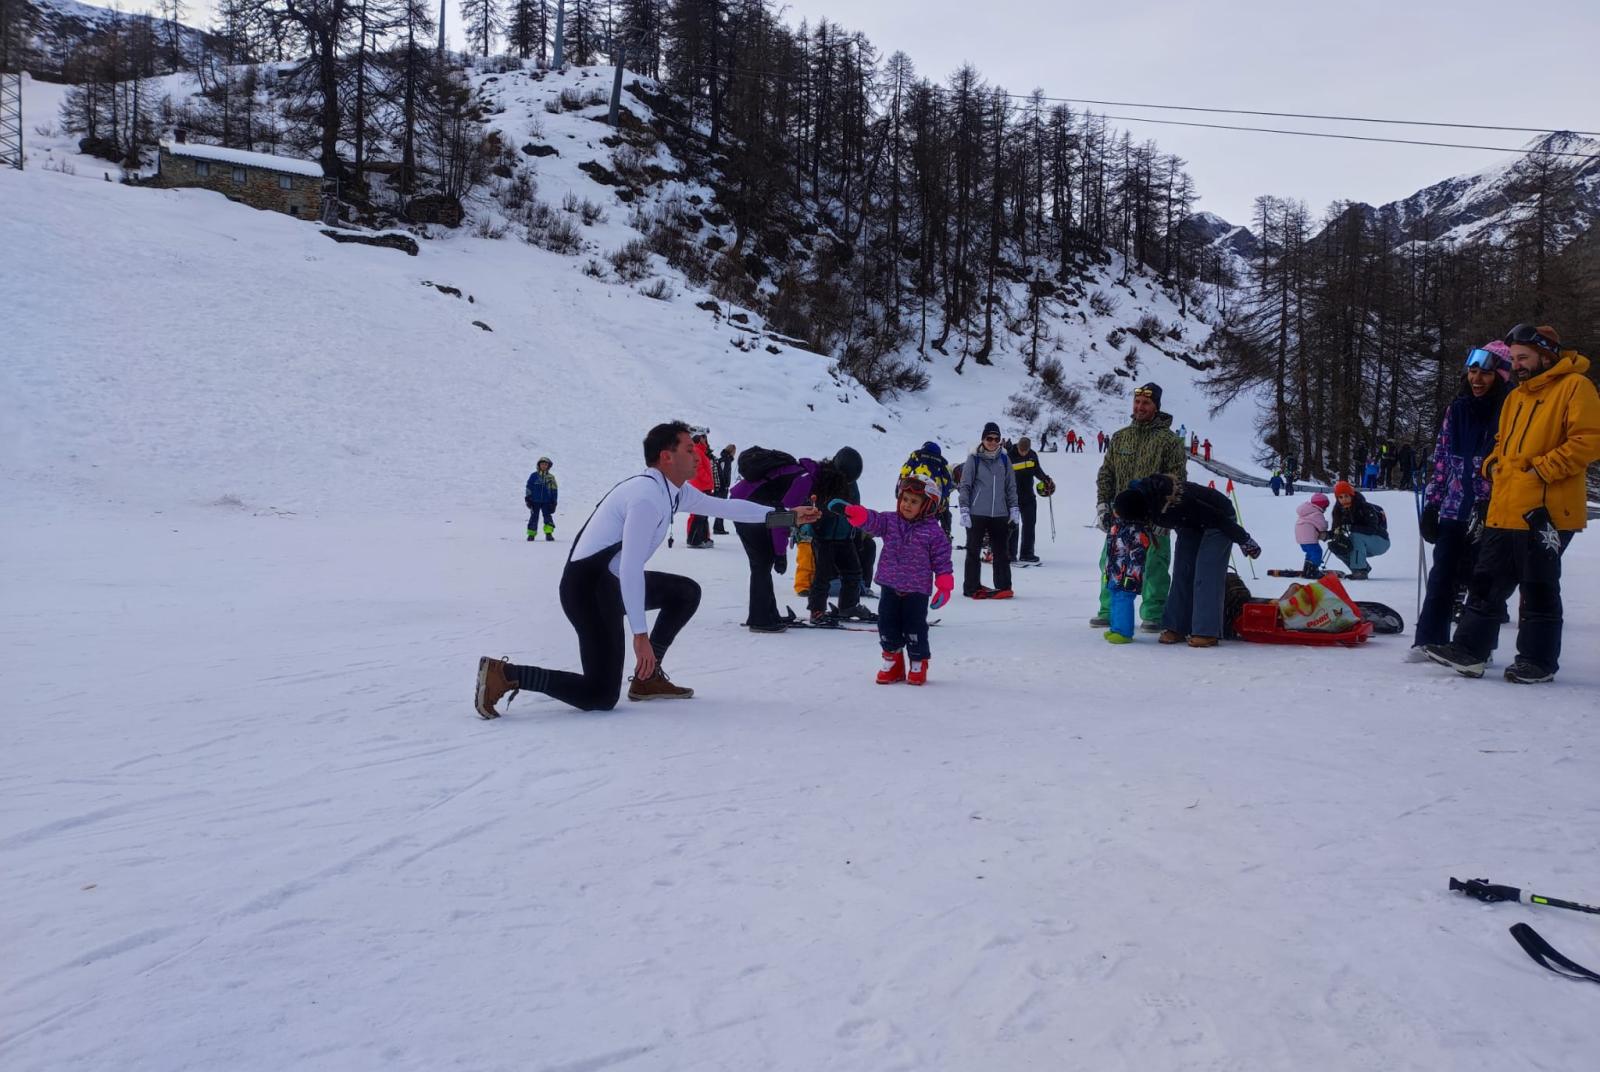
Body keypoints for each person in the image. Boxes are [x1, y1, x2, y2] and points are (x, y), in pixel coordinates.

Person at [475, 422, 819, 715]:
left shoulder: (671, 491)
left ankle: (646, 677)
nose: (697, 454)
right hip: (588, 592)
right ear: (665, 457)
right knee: (600, 694)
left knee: (685, 592)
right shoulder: (645, 496)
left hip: (608, 583)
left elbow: (729, 508)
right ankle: (507, 674)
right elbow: (629, 568)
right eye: (688, 449)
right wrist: (640, 635)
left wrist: (788, 516)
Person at [1426, 324, 1600, 683]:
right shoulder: (1517, 396)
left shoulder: (1575, 387)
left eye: (1523, 358)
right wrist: (1493, 465)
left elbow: (1589, 440)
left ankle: (1537, 662)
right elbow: (1502, 441)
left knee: (1538, 587)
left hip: (1545, 512)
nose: (1517, 365)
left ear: (1545, 355)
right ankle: (1470, 651)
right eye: (1515, 358)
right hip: (1504, 507)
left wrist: (1541, 468)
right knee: (1485, 582)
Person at [1409, 343, 1512, 658]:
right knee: (1443, 575)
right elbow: (1442, 459)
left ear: (1502, 376)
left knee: (1482, 581)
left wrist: (1491, 498)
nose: (1477, 380)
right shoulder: (1457, 409)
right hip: (1455, 508)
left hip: (1491, 511)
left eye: (1486, 373)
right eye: (1473, 371)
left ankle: (1475, 645)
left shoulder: (1511, 410)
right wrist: (1432, 504)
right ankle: (1429, 639)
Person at [1112, 475, 1261, 647]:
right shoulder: (1145, 505)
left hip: (1219, 520)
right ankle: (1176, 627)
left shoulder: (1175, 500)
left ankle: (1206, 631)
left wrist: (1244, 540)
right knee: (1183, 571)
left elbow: (1217, 518)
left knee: (1207, 574)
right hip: (1189, 523)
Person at [835, 476, 954, 686]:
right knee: (887, 625)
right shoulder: (890, 521)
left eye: (914, 501)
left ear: (927, 506)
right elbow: (874, 521)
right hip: (890, 586)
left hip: (916, 591)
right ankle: (893, 661)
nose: (907, 504)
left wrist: (944, 585)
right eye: (905, 499)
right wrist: (858, 514)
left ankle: (918, 661)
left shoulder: (933, 532)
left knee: (914, 627)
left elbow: (942, 560)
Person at [1092, 382, 1187, 629]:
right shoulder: (1121, 436)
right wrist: (1103, 504)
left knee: (1155, 565)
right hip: (1120, 514)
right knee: (1111, 563)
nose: (1140, 407)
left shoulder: (1170, 441)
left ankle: (1154, 613)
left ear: (1156, 406)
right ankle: (1109, 609)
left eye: (1146, 403)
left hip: (1153, 515)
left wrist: (1165, 516)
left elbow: (1177, 480)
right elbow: (1106, 474)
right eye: (1137, 402)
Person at [729, 446, 821, 632]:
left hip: (744, 504)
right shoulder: (805, 479)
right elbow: (783, 518)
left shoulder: (798, 470)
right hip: (746, 509)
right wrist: (781, 554)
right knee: (762, 564)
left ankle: (765, 613)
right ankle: (761, 619)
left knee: (761, 564)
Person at [959, 422, 1020, 598]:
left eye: (996, 439)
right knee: (973, 550)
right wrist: (964, 508)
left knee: (1001, 552)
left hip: (1000, 513)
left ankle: (1004, 585)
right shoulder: (974, 459)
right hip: (977, 513)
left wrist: (1014, 507)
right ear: (983, 439)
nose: (993, 442)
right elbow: (965, 485)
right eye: (989, 438)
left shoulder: (1004, 459)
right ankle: (971, 586)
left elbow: (1010, 486)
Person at [807, 447, 868, 623]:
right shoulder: (825, 478)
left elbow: (855, 507)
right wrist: (817, 525)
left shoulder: (850, 482)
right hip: (823, 536)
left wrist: (856, 531)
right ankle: (817, 610)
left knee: (853, 572)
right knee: (822, 575)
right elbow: (814, 504)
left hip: (844, 535)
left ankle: (848, 606)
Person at [1102, 501, 1152, 645]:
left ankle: (1123, 632)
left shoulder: (1136, 531)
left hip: (1127, 576)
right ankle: (1115, 627)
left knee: (1123, 600)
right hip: (1114, 573)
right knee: (1115, 599)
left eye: (1117, 509)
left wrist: (1132, 576)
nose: (1114, 511)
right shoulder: (1117, 527)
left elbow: (1137, 556)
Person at [1328, 480, 1389, 578]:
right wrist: (1327, 535)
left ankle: (1359, 570)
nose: (1344, 499)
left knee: (1355, 536)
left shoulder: (1365, 507)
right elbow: (1337, 529)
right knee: (1337, 545)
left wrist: (1350, 528)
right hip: (1361, 546)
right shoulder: (1338, 511)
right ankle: (1361, 569)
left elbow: (1371, 529)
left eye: (1346, 496)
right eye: (1340, 497)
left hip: (1380, 541)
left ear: (1352, 495)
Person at [1009, 436, 1054, 563]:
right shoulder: (1009, 455)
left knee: (1029, 524)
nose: (1023, 452)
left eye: (1025, 450)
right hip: (1012, 497)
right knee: (1013, 526)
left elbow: (1037, 470)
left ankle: (1027, 553)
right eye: (1021, 450)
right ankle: (1010, 554)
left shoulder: (1032, 455)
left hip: (1028, 496)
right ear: (1017, 446)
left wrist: (1046, 479)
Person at [900, 441, 954, 536]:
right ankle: (944, 534)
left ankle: (907, 537)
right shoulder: (942, 463)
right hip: (932, 496)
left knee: (911, 516)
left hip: (914, 491)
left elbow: (905, 471)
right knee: (933, 519)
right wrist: (944, 501)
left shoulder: (917, 456)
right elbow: (947, 483)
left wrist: (900, 488)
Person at [684, 434, 716, 547]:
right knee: (698, 515)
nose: (705, 439)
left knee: (703, 514)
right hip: (701, 487)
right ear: (699, 439)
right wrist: (708, 479)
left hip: (703, 486)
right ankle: (694, 541)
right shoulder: (697, 450)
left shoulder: (701, 450)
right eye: (703, 437)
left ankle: (702, 539)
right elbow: (697, 468)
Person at [1295, 492, 1331, 578]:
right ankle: (1312, 571)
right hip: (1309, 538)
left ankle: (1307, 568)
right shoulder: (1317, 514)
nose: (1325, 509)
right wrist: (1326, 524)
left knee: (1310, 553)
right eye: (1325, 506)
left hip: (1301, 538)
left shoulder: (1306, 511)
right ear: (1322, 505)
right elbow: (1322, 527)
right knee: (1317, 552)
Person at [525, 457, 559, 542]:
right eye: (542, 464)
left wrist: (554, 501)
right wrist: (528, 498)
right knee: (533, 517)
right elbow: (529, 487)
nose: (544, 466)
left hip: (547, 502)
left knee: (547, 517)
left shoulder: (551, 477)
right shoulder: (533, 476)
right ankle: (531, 534)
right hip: (534, 501)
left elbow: (554, 490)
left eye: (546, 464)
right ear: (539, 465)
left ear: (548, 466)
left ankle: (548, 533)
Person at [711, 443, 735, 535]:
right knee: (721, 508)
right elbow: (722, 473)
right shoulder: (725, 460)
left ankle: (718, 527)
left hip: (720, 486)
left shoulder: (724, 459)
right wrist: (724, 485)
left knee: (721, 507)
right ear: (731, 451)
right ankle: (718, 528)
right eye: (734, 451)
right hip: (722, 487)